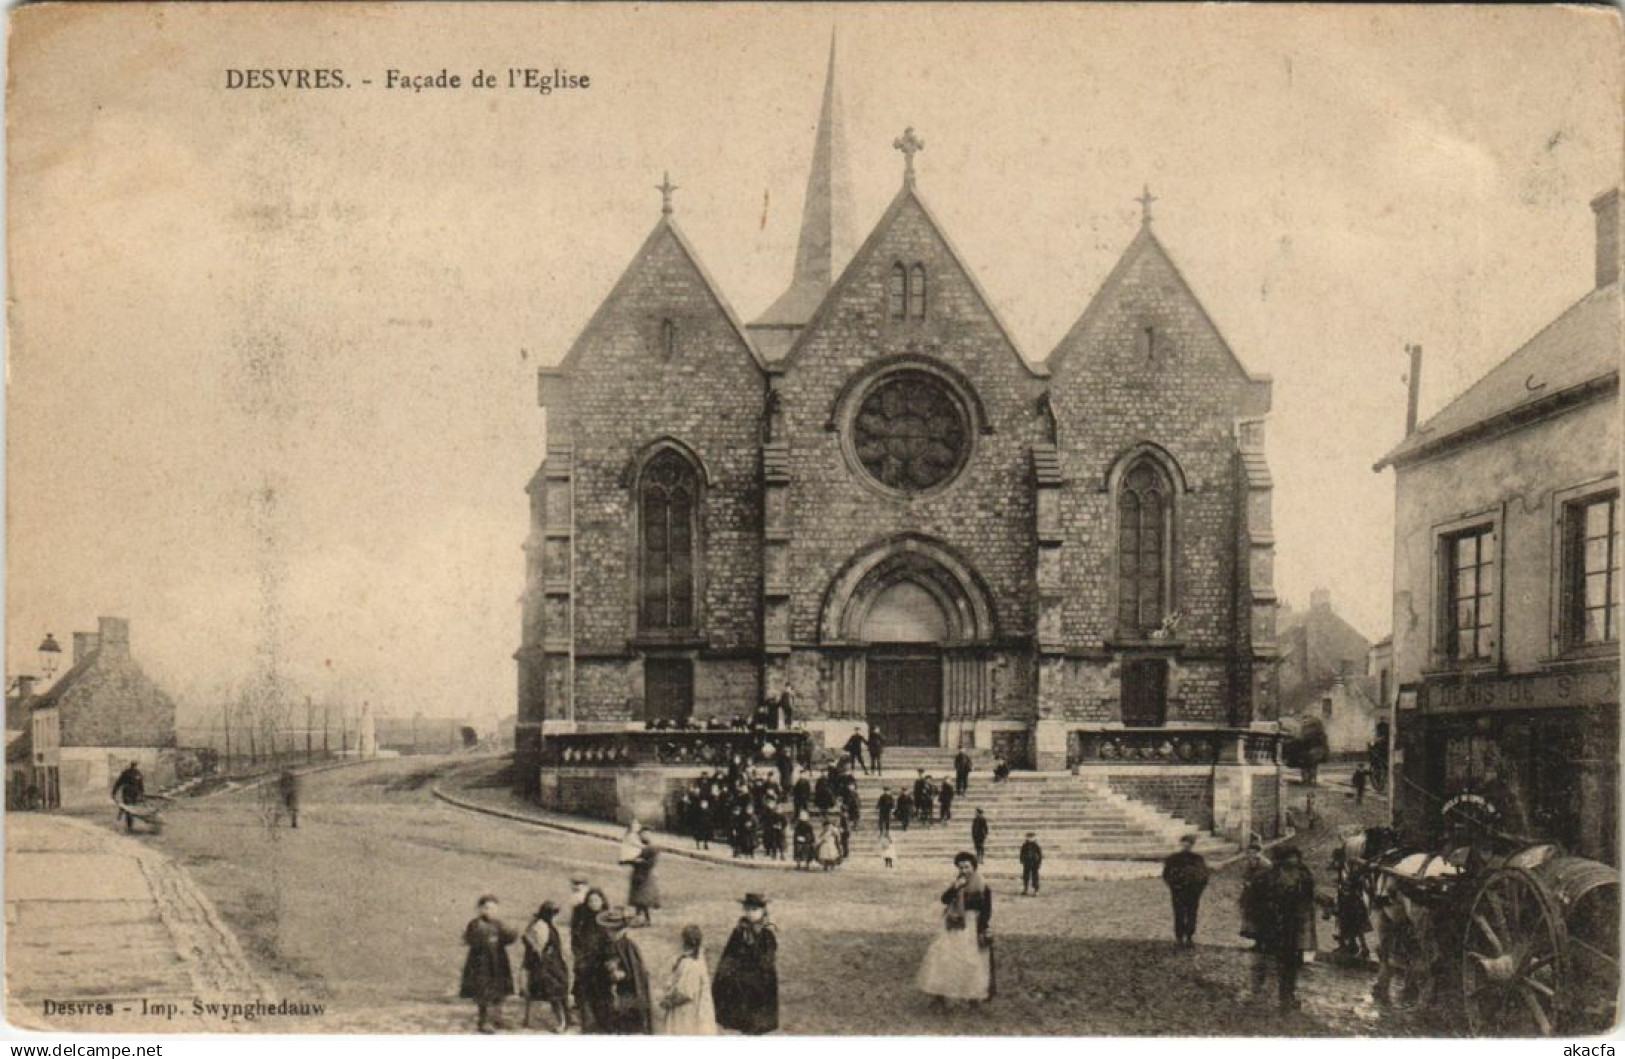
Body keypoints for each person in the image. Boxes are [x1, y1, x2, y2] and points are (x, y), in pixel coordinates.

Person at [917, 852, 994, 1008]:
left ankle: (973, 995)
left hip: (972, 924)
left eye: (967, 867)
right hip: (953, 924)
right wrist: (955, 888)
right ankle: (941, 994)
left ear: (974, 867)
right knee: (945, 957)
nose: (964, 870)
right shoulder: (958, 882)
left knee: (971, 960)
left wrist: (983, 928)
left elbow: (986, 909)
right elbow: (944, 899)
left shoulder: (982, 885)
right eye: (961, 867)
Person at [1255, 844, 1317, 1011]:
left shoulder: (1303, 875)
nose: (1293, 860)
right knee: (1282, 962)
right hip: (1278, 925)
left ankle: (1287, 995)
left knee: (1292, 963)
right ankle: (1284, 995)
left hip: (1295, 926)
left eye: (1295, 857)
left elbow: (1309, 898)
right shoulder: (1271, 877)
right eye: (1289, 857)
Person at [713, 893, 779, 1035]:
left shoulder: (767, 933)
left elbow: (767, 959)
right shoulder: (739, 930)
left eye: (754, 910)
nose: (750, 914)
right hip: (740, 977)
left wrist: (752, 948)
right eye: (748, 909)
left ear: (763, 911)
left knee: (756, 1017)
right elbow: (730, 952)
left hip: (760, 979)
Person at [460, 894, 518, 1034]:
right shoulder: (476, 924)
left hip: (498, 960)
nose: (489, 911)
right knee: (484, 991)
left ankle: (497, 1018)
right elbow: (473, 939)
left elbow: (508, 938)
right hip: (481, 963)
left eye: (493, 908)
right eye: (486, 908)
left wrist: (511, 933)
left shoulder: (498, 923)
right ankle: (484, 1021)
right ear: (480, 909)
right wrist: (491, 938)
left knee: (500, 990)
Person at [598, 908, 653, 1034]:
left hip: (628, 992)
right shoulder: (611, 944)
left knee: (628, 1023)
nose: (607, 932)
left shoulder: (627, 946)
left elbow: (634, 973)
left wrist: (620, 974)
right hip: (616, 991)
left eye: (611, 929)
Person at [659, 925, 717, 1035]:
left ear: (684, 942)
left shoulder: (691, 965)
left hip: (687, 1013)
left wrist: (667, 1003)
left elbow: (685, 994)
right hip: (685, 1010)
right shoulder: (690, 960)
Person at [521, 901, 570, 1031]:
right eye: (554, 914)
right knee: (551, 990)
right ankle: (559, 1020)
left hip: (554, 962)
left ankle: (563, 1019)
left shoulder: (551, 925)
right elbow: (537, 947)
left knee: (558, 991)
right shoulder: (540, 926)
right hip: (544, 964)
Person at [572, 887, 613, 1032]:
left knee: (603, 994)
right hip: (586, 964)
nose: (593, 903)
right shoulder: (583, 921)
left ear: (602, 901)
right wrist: (580, 958)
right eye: (590, 900)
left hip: (603, 964)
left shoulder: (609, 920)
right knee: (585, 994)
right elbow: (576, 941)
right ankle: (589, 1024)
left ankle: (605, 1022)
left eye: (596, 900)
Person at [1162, 834, 1210, 947]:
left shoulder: (1198, 859)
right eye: (1184, 843)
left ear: (1192, 845)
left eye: (1189, 844)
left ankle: (1189, 936)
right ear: (1181, 844)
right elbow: (1166, 874)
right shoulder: (1173, 858)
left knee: (1191, 914)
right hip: (1178, 891)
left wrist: (1199, 889)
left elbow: (1204, 876)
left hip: (1193, 892)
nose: (1186, 846)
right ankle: (1179, 937)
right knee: (1178, 913)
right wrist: (1173, 886)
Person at [628, 833, 661, 926]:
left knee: (642, 900)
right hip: (639, 875)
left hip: (644, 876)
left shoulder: (652, 849)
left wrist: (640, 862)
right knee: (638, 900)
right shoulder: (641, 848)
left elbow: (651, 863)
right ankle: (639, 918)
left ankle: (646, 919)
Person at [111, 761, 144, 832]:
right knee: (129, 808)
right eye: (134, 765)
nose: (134, 766)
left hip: (134, 793)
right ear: (132, 765)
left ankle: (128, 823)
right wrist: (114, 792)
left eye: (135, 765)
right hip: (128, 793)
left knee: (131, 809)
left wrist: (141, 794)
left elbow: (141, 785)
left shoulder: (137, 773)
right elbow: (119, 782)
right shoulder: (128, 773)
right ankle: (130, 826)